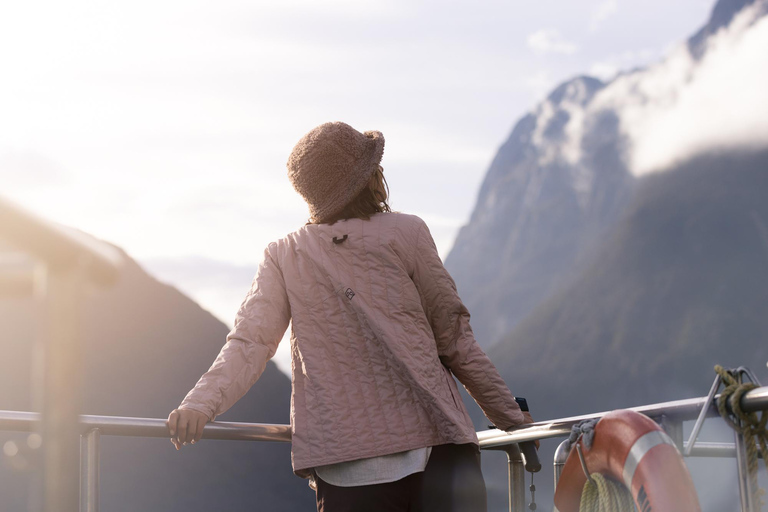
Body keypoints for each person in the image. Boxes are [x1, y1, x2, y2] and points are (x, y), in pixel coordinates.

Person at [167, 121, 534, 512]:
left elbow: (250, 343)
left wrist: (199, 405)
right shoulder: (406, 232)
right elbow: (455, 340)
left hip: (344, 464)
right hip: (437, 452)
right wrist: (512, 419)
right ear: (368, 177)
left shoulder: (284, 254)